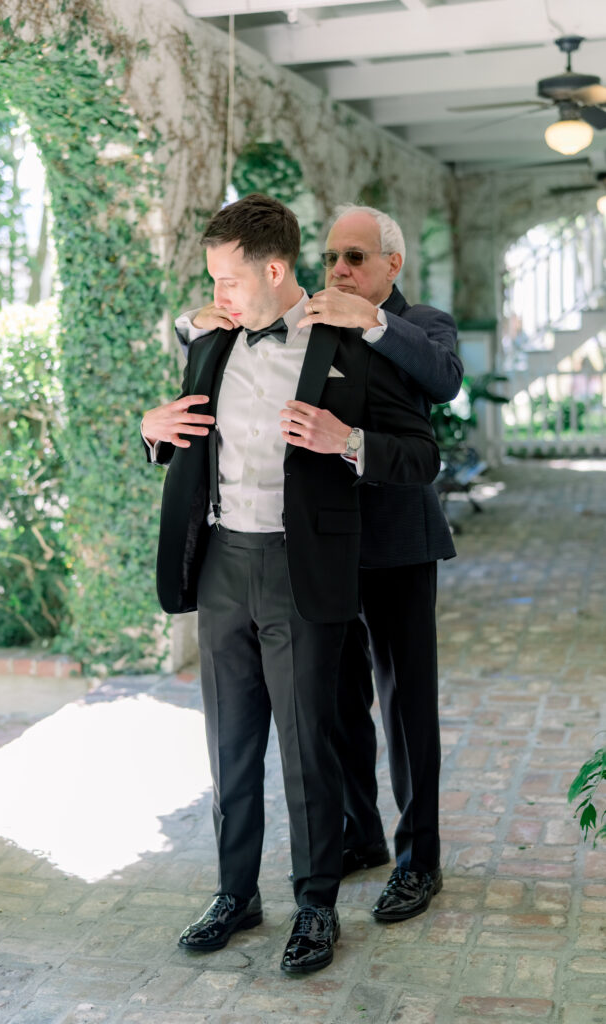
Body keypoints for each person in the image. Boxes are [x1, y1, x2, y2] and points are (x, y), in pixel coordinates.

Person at [140, 194, 441, 973]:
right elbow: (186, 436)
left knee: (309, 748)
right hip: (221, 567)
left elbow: (420, 453)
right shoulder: (208, 342)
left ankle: (315, 907)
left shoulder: (344, 343)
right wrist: (151, 431)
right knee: (229, 745)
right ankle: (235, 894)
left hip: (301, 567)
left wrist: (348, 443)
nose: (216, 296)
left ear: (274, 271)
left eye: (227, 281)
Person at [298, 203, 463, 921]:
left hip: (398, 542)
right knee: (336, 703)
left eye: (355, 257)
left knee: (404, 709)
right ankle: (358, 835)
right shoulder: (312, 324)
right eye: (332, 256)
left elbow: (442, 379)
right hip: (322, 545)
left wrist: (371, 323)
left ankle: (417, 858)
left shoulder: (421, 322)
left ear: (391, 265)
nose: (338, 269)